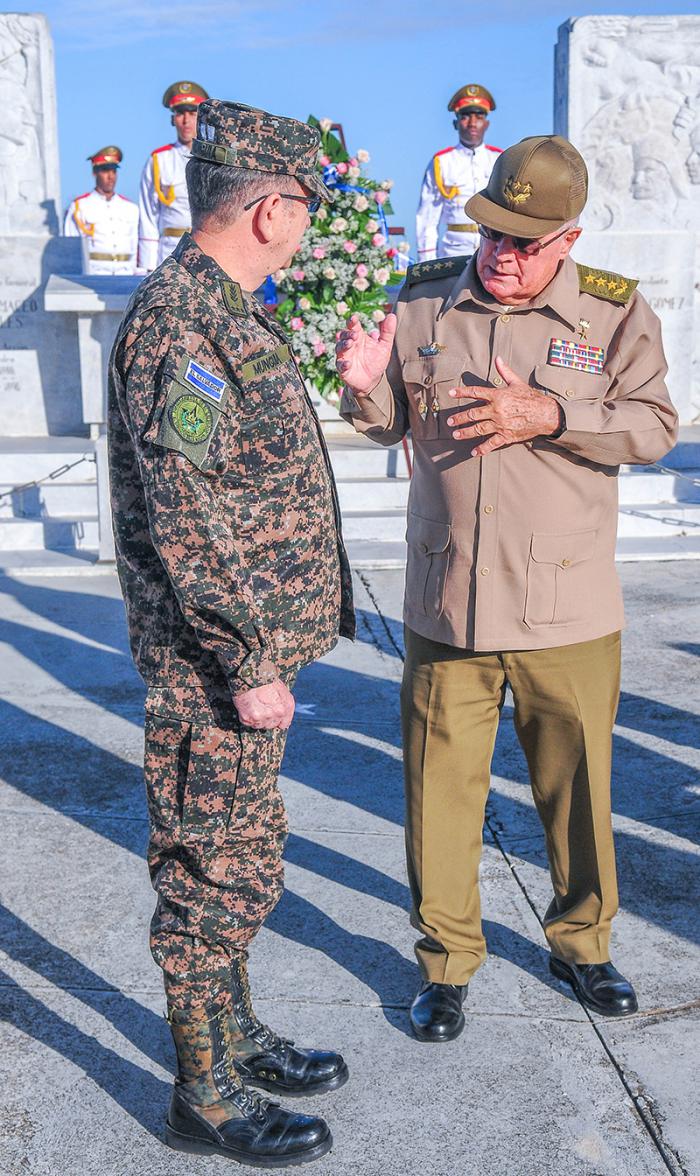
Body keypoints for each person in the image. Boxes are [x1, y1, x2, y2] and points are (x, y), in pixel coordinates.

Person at [337, 135, 678, 1043]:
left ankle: (583, 944)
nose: (503, 253)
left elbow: (653, 427)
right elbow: (386, 422)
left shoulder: (612, 315)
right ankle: (445, 962)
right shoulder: (424, 302)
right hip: (447, 601)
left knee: (579, 792)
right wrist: (363, 391)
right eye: (493, 232)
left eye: (526, 241)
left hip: (565, 606)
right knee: (439, 792)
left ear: (567, 238)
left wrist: (554, 412)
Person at [109, 98, 355, 1165]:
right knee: (210, 871)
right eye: (304, 206)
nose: (307, 228)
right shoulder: (182, 323)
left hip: (243, 658)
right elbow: (186, 507)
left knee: (246, 851)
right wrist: (248, 658)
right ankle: (203, 1094)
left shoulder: (224, 308)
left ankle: (235, 1034)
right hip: (213, 667)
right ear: (267, 207)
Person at [416, 83, 501, 263]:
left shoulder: (500, 159)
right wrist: (427, 262)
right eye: (465, 116)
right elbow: (427, 217)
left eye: (479, 116)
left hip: (494, 251)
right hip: (453, 253)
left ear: (487, 124)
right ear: (455, 123)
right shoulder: (442, 162)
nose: (472, 123)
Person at [138, 80, 209, 272]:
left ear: (201, 118)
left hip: (208, 250)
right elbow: (148, 217)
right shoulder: (159, 160)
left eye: (192, 113)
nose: (186, 120)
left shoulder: (214, 159)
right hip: (169, 251)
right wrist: (147, 267)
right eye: (180, 113)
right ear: (173, 119)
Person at [64, 146, 138, 275]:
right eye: (105, 171)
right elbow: (70, 250)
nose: (111, 176)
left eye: (114, 171)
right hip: (94, 274)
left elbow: (136, 244)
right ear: (94, 172)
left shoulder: (130, 208)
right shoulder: (80, 206)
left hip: (125, 274)